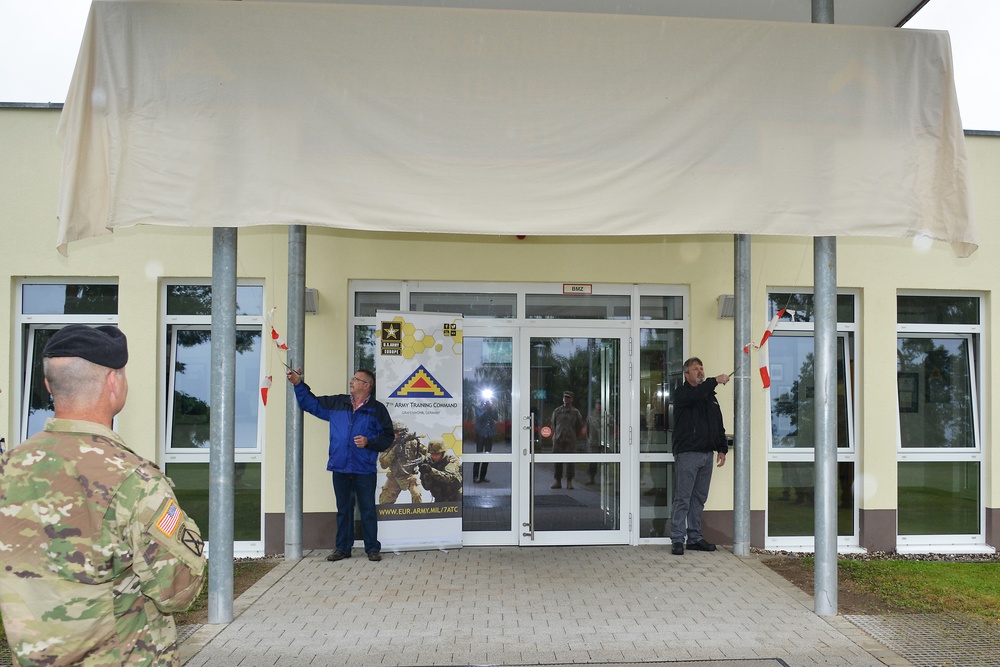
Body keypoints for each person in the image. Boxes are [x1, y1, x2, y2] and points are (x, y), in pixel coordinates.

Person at [0, 324, 207, 666]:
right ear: (114, 382)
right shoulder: (134, 481)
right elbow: (179, 589)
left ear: (49, 385)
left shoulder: (9, 468)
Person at [287, 367, 394, 562]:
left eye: (356, 379)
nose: (351, 381)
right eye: (352, 378)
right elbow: (312, 404)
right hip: (340, 467)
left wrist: (369, 442)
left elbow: (388, 437)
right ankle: (343, 548)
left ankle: (372, 549)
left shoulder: (377, 410)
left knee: (367, 509)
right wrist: (298, 384)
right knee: (343, 509)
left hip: (364, 469)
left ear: (366, 385)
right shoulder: (338, 402)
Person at [669, 357, 730, 555]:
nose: (700, 371)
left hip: (706, 455)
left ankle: (694, 538)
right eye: (696, 369)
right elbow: (695, 395)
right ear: (687, 374)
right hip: (688, 454)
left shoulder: (710, 396)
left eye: (702, 368)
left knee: (699, 499)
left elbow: (717, 423)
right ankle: (678, 539)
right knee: (683, 498)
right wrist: (715, 380)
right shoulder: (682, 394)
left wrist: (722, 448)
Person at [378, 422, 426, 504]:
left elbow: (427, 451)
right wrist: (393, 450)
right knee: (384, 501)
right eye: (396, 433)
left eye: (401, 433)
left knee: (417, 495)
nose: (399, 436)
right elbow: (384, 464)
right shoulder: (387, 444)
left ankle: (417, 515)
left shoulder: (412, 441)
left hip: (411, 475)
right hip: (394, 476)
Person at [549, 390, 584, 489]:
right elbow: (553, 424)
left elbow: (579, 426)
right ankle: (558, 481)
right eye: (565, 397)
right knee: (557, 462)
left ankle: (569, 481)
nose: (566, 399)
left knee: (570, 462)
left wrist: (573, 435)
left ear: (572, 399)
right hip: (558, 439)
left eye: (568, 397)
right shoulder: (557, 411)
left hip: (570, 440)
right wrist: (556, 435)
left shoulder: (575, 412)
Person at [472, 397, 497, 483]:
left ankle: (483, 476)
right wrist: (486, 409)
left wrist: (492, 408)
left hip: (489, 434)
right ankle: (475, 477)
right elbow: (480, 418)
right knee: (478, 456)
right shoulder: (478, 408)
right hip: (480, 434)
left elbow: (496, 418)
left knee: (487, 456)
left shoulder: (492, 408)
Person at [585, 399, 602, 485]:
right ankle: (591, 477)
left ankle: (605, 478)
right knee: (593, 461)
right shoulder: (591, 416)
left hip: (604, 442)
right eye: (597, 404)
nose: (599, 405)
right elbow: (587, 430)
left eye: (600, 404)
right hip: (594, 441)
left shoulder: (608, 416)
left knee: (604, 461)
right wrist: (589, 440)